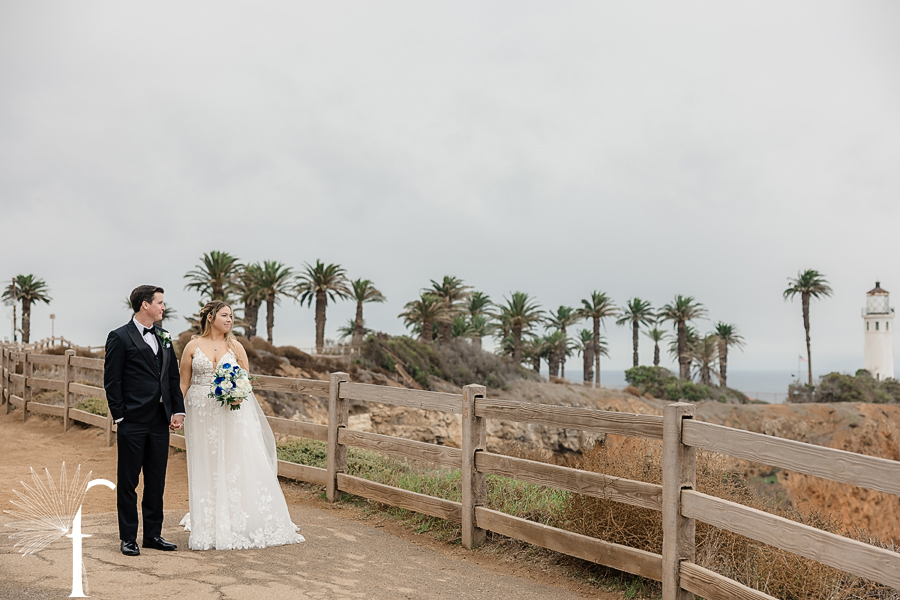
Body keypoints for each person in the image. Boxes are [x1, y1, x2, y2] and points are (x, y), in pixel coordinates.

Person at [178, 301, 305, 550]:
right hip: (200, 414)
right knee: (206, 462)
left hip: (229, 412)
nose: (229, 320)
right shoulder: (192, 346)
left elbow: (245, 379)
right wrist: (177, 412)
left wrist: (237, 393)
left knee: (234, 461)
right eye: (225, 315)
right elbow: (183, 383)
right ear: (211, 317)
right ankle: (210, 517)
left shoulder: (235, 346)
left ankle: (237, 516)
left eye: (232, 316)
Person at [104, 285, 185, 557]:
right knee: (128, 481)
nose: (163, 307)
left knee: (156, 480)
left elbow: (172, 377)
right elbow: (112, 382)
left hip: (160, 422)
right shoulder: (119, 337)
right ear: (144, 305)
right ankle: (128, 537)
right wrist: (121, 416)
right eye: (160, 303)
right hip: (133, 422)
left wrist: (178, 410)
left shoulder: (163, 336)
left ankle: (153, 535)